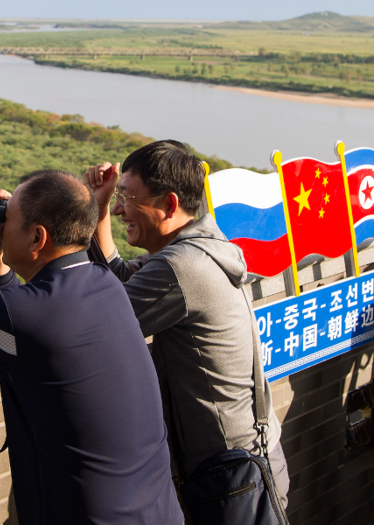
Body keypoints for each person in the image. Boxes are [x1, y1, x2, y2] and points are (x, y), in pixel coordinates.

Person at [0, 170, 183, 525]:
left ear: (37, 237)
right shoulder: (105, 283)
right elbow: (12, 312)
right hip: (157, 512)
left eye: (8, 219)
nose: (2, 225)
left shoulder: (22, 314)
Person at [83, 141, 290, 510]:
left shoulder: (181, 267)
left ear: (169, 204)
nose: (118, 209)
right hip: (249, 455)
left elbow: (98, 320)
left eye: (127, 197)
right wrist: (97, 207)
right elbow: (117, 281)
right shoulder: (201, 243)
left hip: (232, 472)